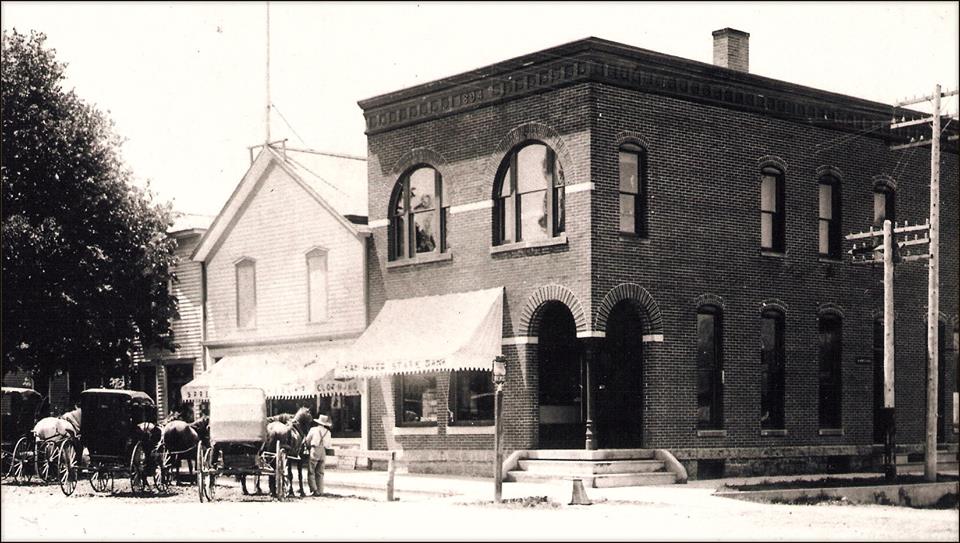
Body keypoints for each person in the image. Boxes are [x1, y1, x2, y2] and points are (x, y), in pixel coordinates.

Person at [303, 414, 333, 496]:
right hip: (323, 451)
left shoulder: (313, 430)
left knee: (311, 470)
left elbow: (307, 440)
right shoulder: (328, 432)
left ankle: (314, 490)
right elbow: (328, 445)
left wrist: (308, 446)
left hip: (314, 450)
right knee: (320, 472)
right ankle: (320, 490)